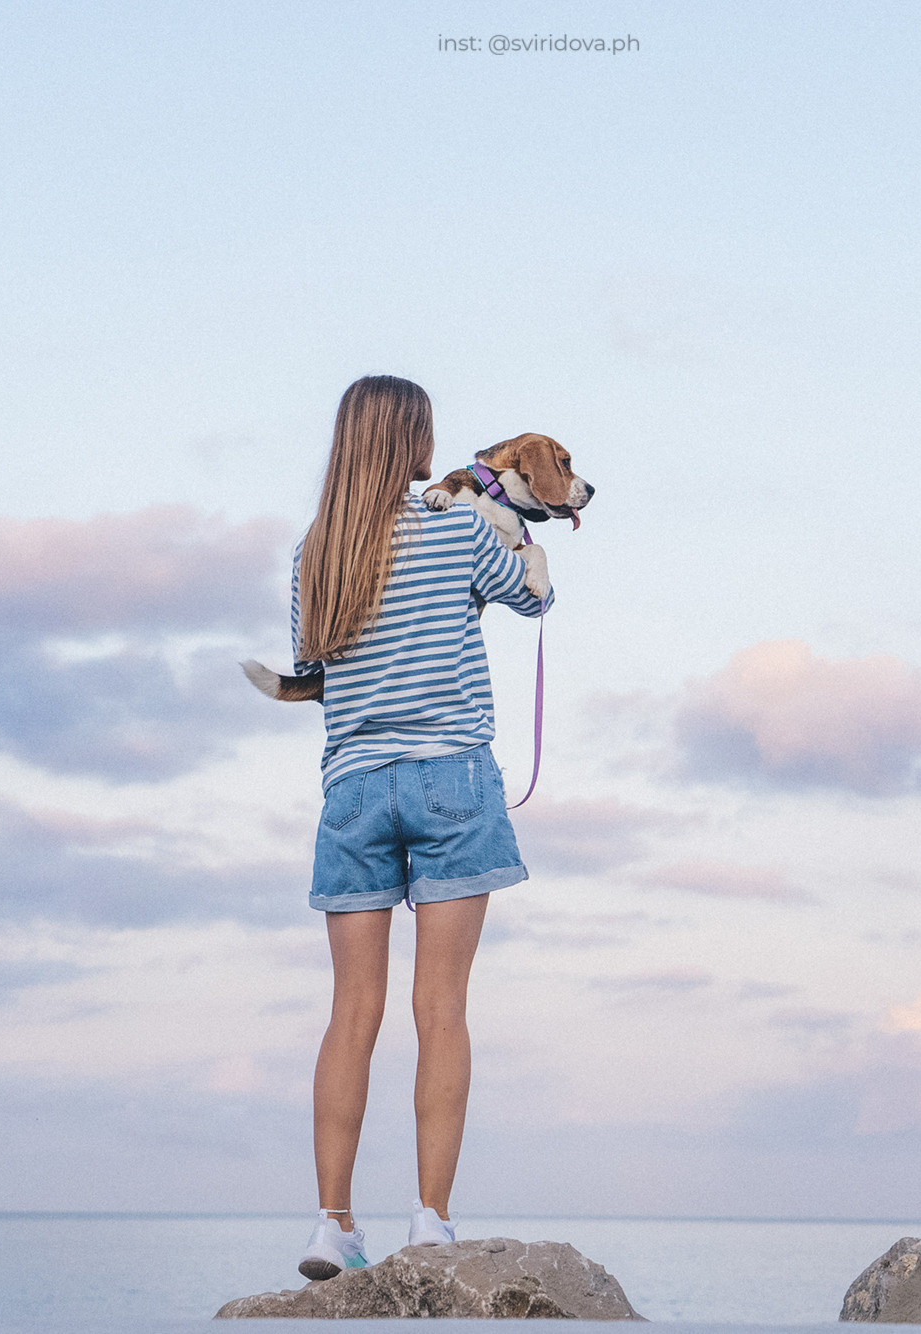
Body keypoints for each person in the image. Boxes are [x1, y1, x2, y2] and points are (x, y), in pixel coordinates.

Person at [288, 375, 550, 1281]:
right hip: (451, 778)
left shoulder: (314, 551)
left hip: (353, 789)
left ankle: (332, 1226)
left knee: (349, 1014)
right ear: (415, 442)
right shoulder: (460, 530)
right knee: (440, 1011)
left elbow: (308, 664)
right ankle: (430, 1222)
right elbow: (532, 599)